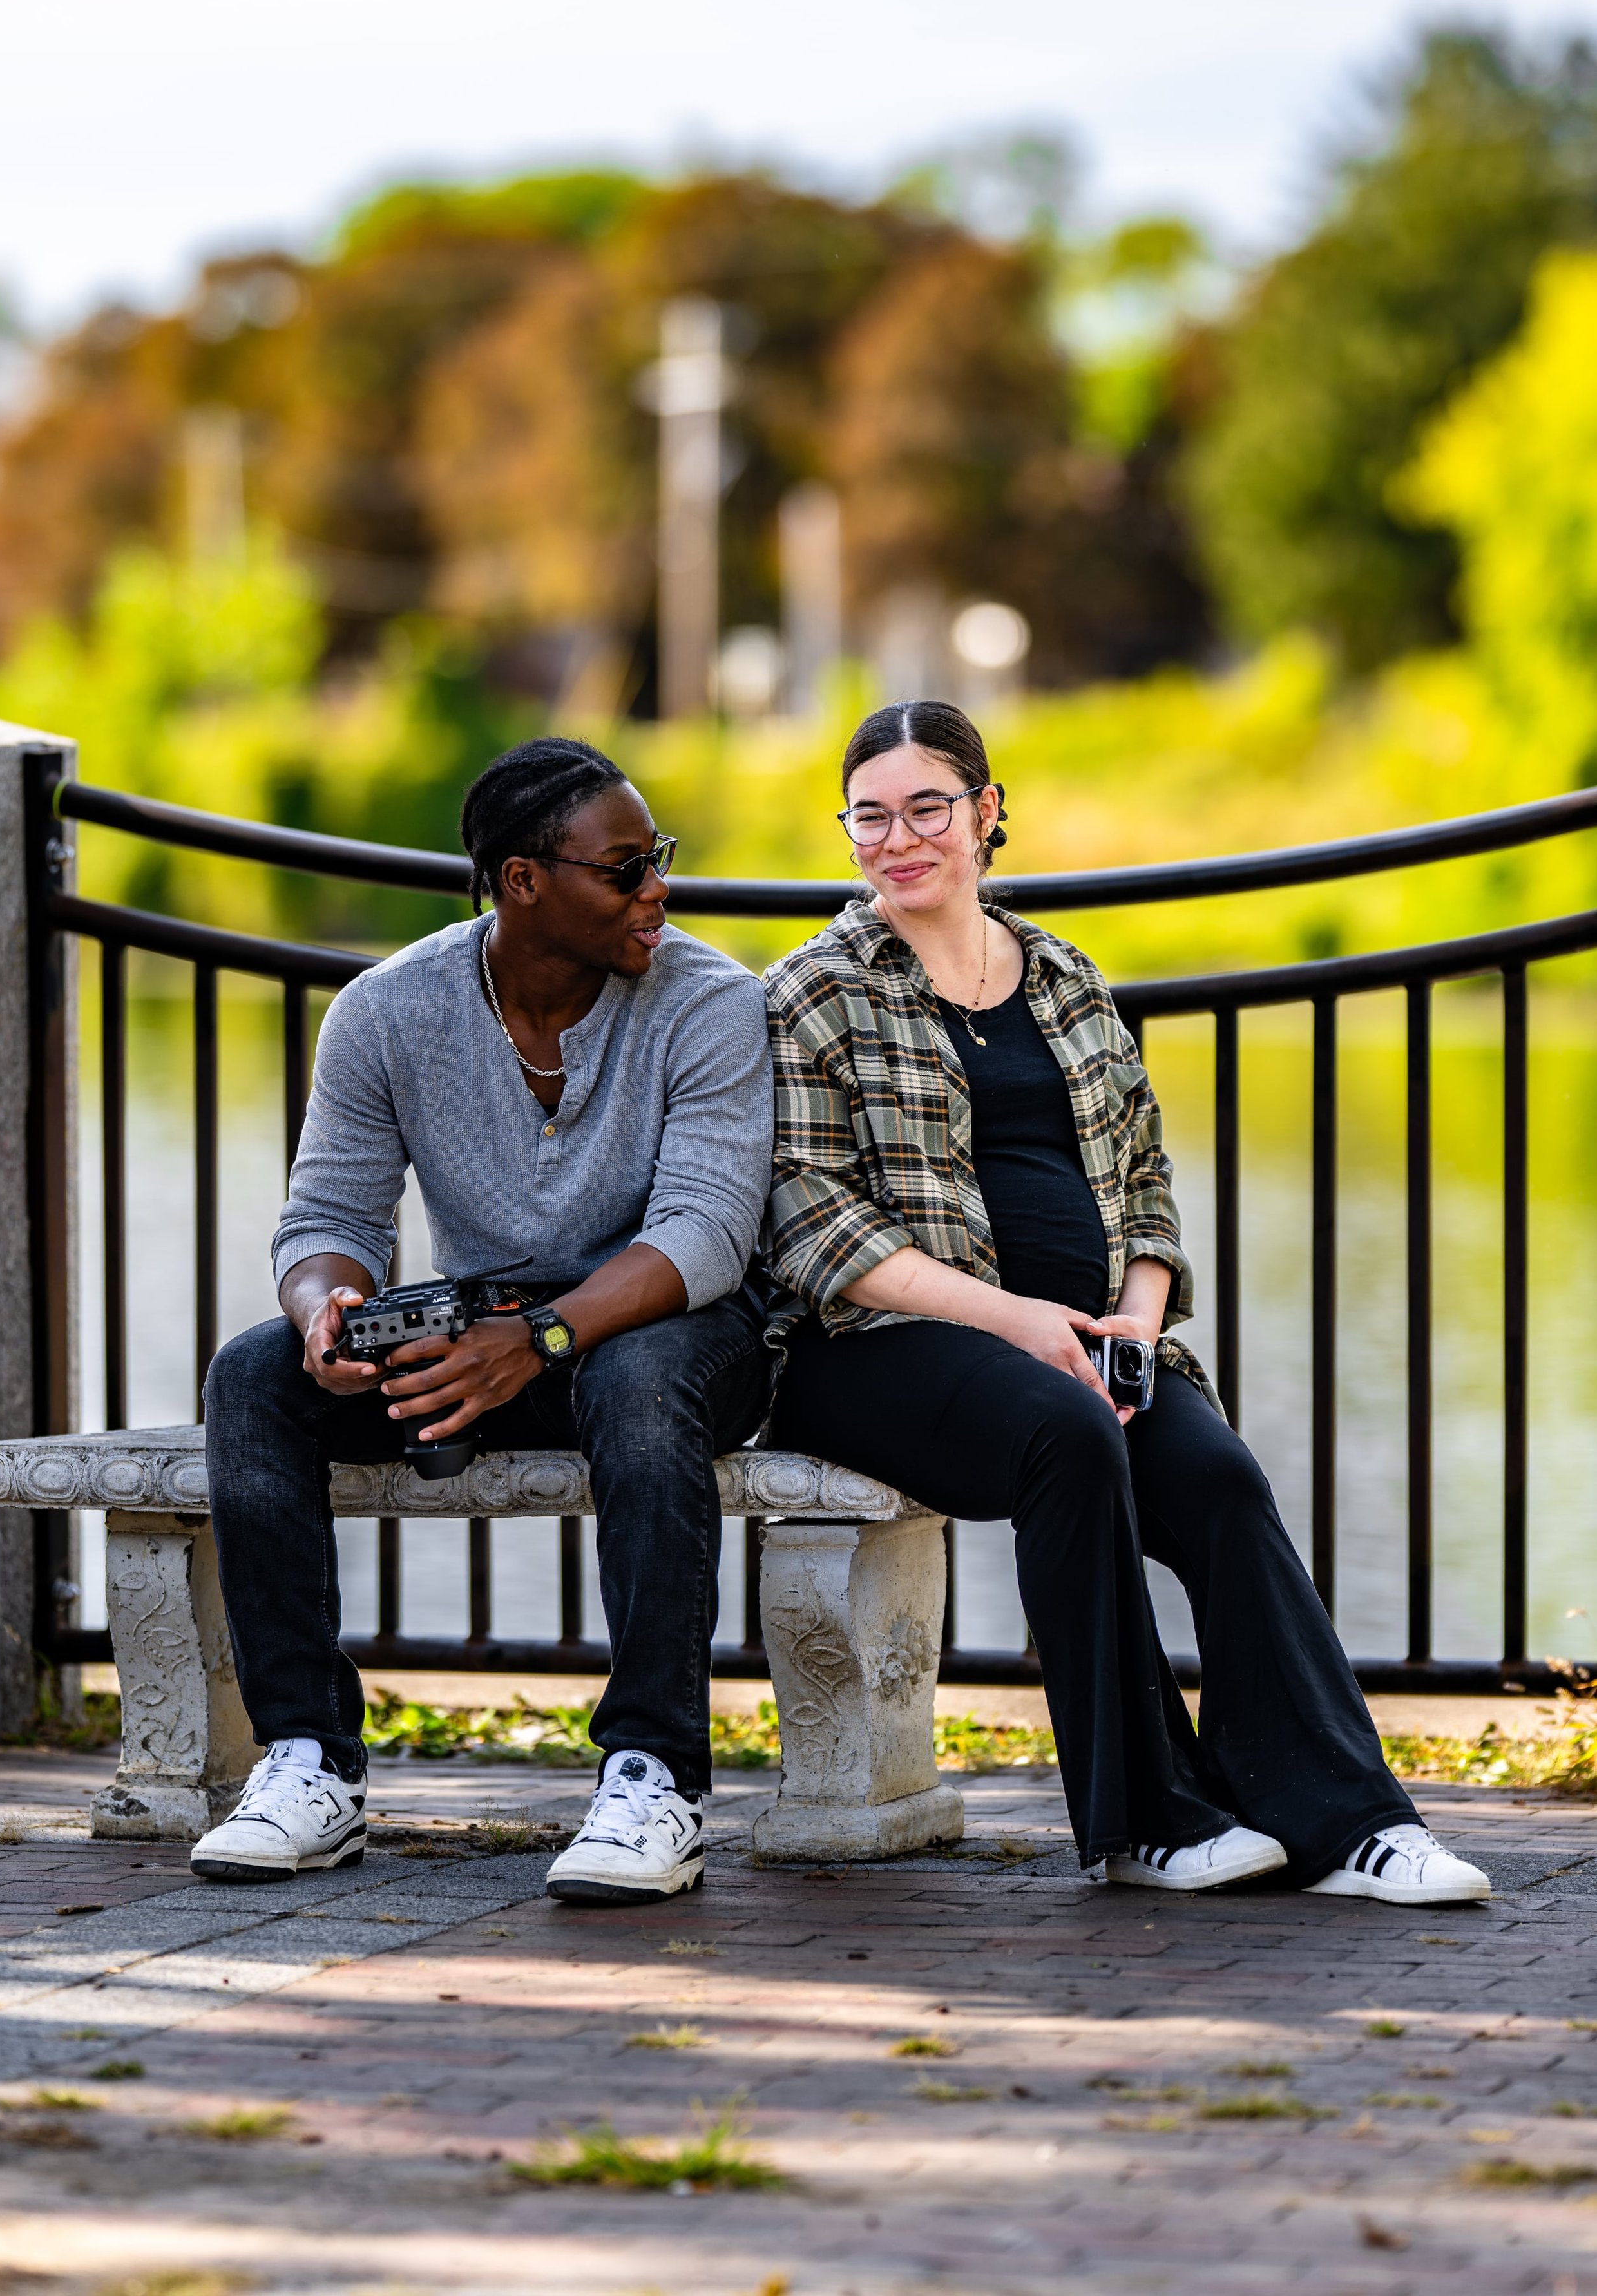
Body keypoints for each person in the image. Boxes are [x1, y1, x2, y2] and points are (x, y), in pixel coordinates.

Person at [763, 699, 1488, 1906]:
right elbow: (816, 1225)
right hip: (884, 1344)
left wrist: (1137, 1322)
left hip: (1088, 1339)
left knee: (1217, 1480)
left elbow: (1144, 1175)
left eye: (928, 808)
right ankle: (1145, 1820)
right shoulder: (812, 993)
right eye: (870, 816)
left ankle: (1352, 1823)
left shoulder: (1062, 977)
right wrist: (1019, 1322)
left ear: (988, 813)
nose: (900, 838)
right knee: (1069, 1433)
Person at [193, 738, 774, 1906]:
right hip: (485, 1334)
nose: (657, 887)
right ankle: (310, 1761)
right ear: (523, 882)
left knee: (640, 1375)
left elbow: (706, 1235)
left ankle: (654, 1774)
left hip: (680, 1328)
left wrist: (545, 1337)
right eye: (625, 869)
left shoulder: (710, 1004)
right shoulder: (388, 1011)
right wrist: (331, 1315)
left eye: (658, 859)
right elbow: (325, 1218)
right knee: (255, 1377)